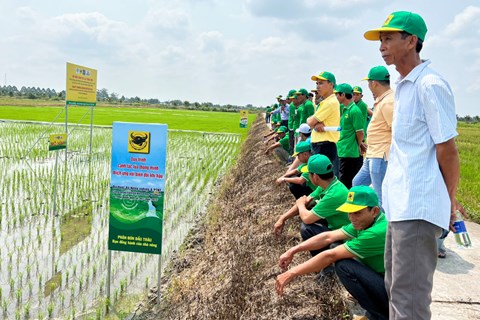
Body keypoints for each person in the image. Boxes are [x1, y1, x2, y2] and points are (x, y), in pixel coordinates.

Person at [364, 11, 461, 319]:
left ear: (412, 41)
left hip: (418, 207)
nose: (382, 45)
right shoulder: (403, 87)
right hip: (400, 204)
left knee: (410, 299)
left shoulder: (429, 85)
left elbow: (447, 150)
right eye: (381, 39)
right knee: (396, 287)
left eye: (389, 38)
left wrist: (449, 200)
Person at [275, 185, 388, 320]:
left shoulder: (377, 232)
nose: (351, 218)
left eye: (357, 213)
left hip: (392, 289)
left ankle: (379, 315)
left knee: (343, 265)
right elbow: (328, 236)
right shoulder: (368, 221)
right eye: (349, 212)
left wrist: (291, 273)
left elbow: (330, 256)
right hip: (384, 279)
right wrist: (293, 250)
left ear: (374, 211)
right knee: (335, 245)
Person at [274, 154, 350, 253]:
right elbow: (307, 201)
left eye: (309, 174)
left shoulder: (334, 194)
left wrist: (300, 204)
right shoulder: (328, 185)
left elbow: (307, 218)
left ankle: (328, 264)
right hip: (338, 228)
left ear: (315, 176)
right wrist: (282, 218)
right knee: (309, 211)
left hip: (346, 237)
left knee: (307, 228)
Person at [352, 66, 394, 209]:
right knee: (357, 184)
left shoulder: (389, 102)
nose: (369, 87)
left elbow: (396, 131)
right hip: (372, 154)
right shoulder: (382, 100)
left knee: (379, 196)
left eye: (369, 83)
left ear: (374, 83)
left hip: (380, 155)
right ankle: (365, 218)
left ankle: (381, 228)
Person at [307, 71, 341, 177]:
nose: (318, 86)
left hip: (324, 145)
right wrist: (315, 123)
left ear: (331, 85)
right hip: (322, 145)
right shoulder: (325, 102)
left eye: (321, 83)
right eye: (317, 83)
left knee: (323, 179)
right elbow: (313, 123)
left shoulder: (330, 103)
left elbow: (310, 122)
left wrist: (313, 123)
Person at [335, 83, 365, 189]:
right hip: (343, 150)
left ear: (343, 95)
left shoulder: (354, 110)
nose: (336, 97)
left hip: (350, 153)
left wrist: (358, 144)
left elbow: (360, 132)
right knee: (343, 179)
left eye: (337, 95)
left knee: (347, 182)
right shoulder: (344, 108)